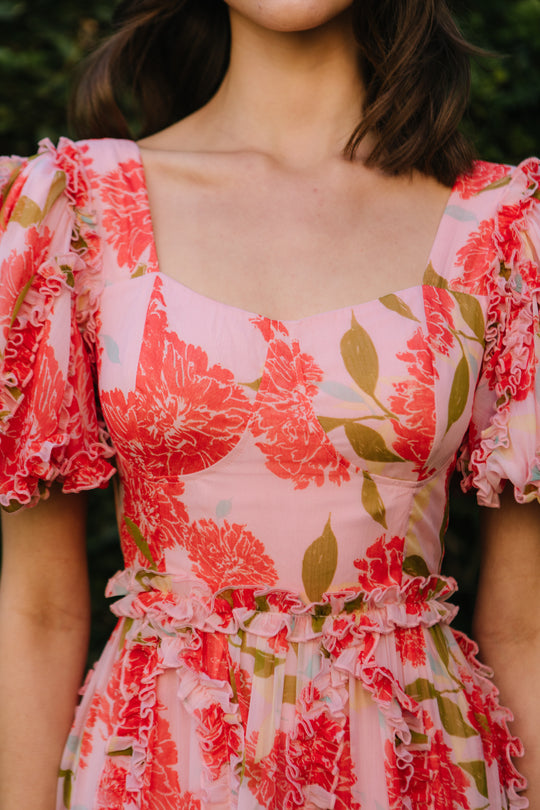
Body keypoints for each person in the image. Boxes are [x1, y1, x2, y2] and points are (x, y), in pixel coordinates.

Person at [0, 0, 538, 808]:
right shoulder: (75, 208)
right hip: (153, 773)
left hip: (421, 774)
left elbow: (525, 626)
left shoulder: (504, 232)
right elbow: (38, 608)